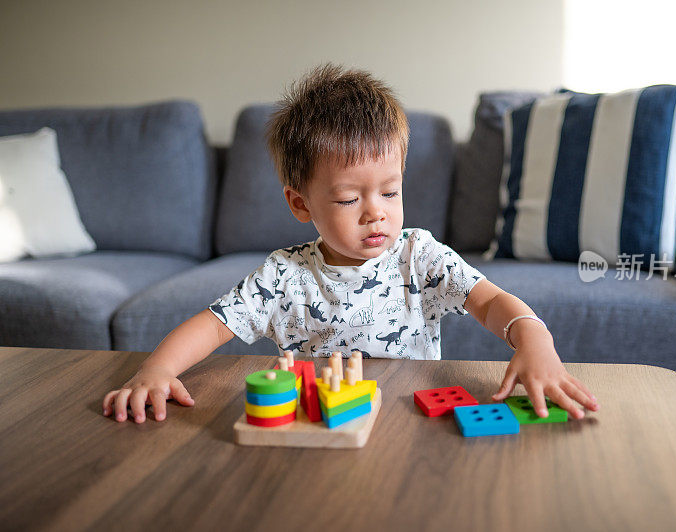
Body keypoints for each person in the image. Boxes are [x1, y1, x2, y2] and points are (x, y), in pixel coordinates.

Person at [102, 64, 599, 424]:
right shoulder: (284, 276)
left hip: (409, 420)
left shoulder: (419, 257)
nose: (375, 211)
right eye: (348, 198)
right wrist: (157, 368)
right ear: (302, 205)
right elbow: (212, 327)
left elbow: (490, 302)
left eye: (389, 191)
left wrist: (536, 340)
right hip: (316, 424)